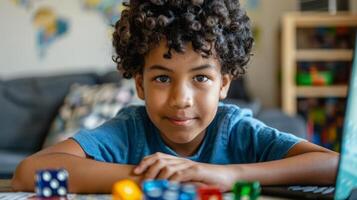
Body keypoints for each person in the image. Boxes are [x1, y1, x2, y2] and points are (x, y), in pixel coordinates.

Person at [12, 0, 339, 194]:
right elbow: (29, 172)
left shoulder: (236, 130)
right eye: (162, 78)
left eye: (200, 77)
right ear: (139, 84)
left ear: (224, 84)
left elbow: (334, 164)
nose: (181, 98)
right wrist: (156, 177)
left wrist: (229, 174)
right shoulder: (129, 129)